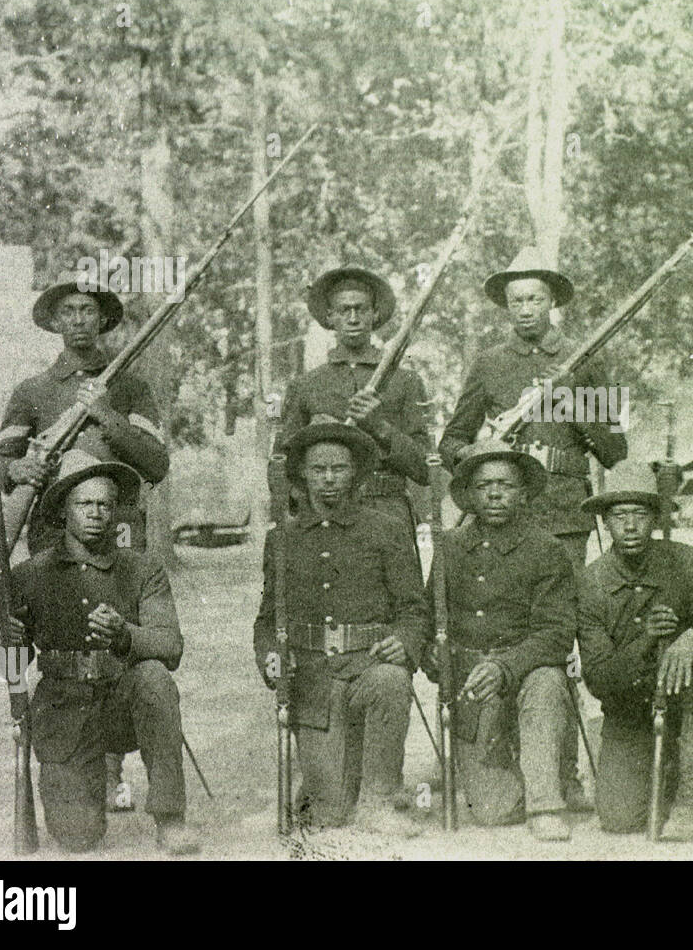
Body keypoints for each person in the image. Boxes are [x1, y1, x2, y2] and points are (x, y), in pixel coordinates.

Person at [439, 245, 627, 809]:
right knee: (500, 630)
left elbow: (616, 448)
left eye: (536, 298)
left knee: (561, 645)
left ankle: (563, 776)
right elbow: (451, 441)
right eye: (516, 299)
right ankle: (502, 763)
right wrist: (484, 446)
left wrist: (572, 404)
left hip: (565, 516)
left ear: (552, 302)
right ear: (506, 305)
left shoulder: (584, 361)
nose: (526, 308)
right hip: (501, 517)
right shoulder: (490, 364)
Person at [0, 278, 171, 814]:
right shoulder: (32, 389)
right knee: (66, 647)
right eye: (67, 311)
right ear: (53, 322)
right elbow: (1, 462)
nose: (77, 319)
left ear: (102, 319)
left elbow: (155, 462)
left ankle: (116, 769)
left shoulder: (131, 386)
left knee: (117, 636)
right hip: (53, 535)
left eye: (87, 310)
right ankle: (80, 759)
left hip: (115, 530)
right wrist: (18, 466)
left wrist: (105, 416)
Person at [0, 450, 198, 854]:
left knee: (155, 679)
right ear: (64, 511)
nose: (95, 512)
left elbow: (170, 646)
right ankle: (86, 792)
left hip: (124, 705)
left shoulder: (142, 569)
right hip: (65, 711)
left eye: (104, 504)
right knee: (77, 838)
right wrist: (6, 642)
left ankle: (170, 819)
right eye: (84, 503)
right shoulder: (31, 574)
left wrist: (125, 635)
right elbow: (8, 669)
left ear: (116, 513)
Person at [254, 418, 428, 836]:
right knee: (328, 817)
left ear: (356, 474)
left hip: (368, 667)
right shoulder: (283, 539)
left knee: (391, 680)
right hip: (313, 680)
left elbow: (414, 608)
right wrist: (271, 657)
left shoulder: (386, 530)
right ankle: (330, 787)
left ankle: (380, 799)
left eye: (339, 469)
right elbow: (267, 620)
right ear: (302, 477)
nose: (329, 479)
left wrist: (404, 641)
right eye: (318, 470)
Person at [576, 465, 693, 840]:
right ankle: (660, 766)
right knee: (618, 819)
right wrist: (647, 639)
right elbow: (599, 678)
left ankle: (687, 803)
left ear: (654, 518)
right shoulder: (592, 582)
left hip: (684, 702)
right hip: (628, 709)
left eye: (640, 514)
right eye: (619, 516)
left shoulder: (687, 562)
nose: (630, 526)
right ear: (605, 522)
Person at [428, 438, 577, 841]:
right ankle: (527, 768)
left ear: (523, 492)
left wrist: (504, 667)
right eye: (484, 486)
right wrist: (438, 659)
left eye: (506, 485)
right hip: (472, 685)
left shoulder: (547, 550)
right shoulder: (450, 548)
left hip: (525, 673)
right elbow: (430, 620)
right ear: (470, 496)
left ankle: (546, 803)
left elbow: (556, 634)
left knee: (548, 682)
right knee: (494, 812)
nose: (495, 494)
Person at [277, 267, 430, 544]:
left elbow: (424, 467)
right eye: (344, 310)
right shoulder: (306, 385)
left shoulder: (405, 381)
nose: (353, 318)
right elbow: (283, 465)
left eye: (361, 309)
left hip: (388, 511)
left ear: (375, 314)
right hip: (324, 515)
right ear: (329, 317)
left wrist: (380, 427)